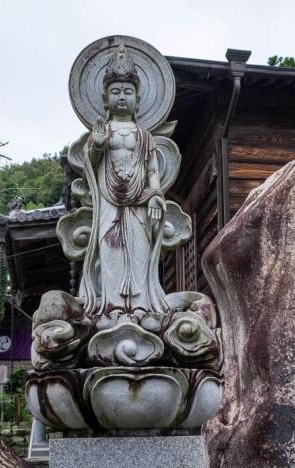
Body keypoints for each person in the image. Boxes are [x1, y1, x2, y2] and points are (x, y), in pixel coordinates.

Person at [77, 44, 168, 317]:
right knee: (111, 251)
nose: (122, 97)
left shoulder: (145, 135)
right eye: (115, 91)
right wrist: (97, 146)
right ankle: (112, 306)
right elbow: (90, 167)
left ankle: (140, 308)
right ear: (105, 99)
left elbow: (152, 170)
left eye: (128, 92)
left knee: (139, 252)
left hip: (139, 201)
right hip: (108, 202)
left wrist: (154, 194)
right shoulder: (102, 131)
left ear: (138, 99)